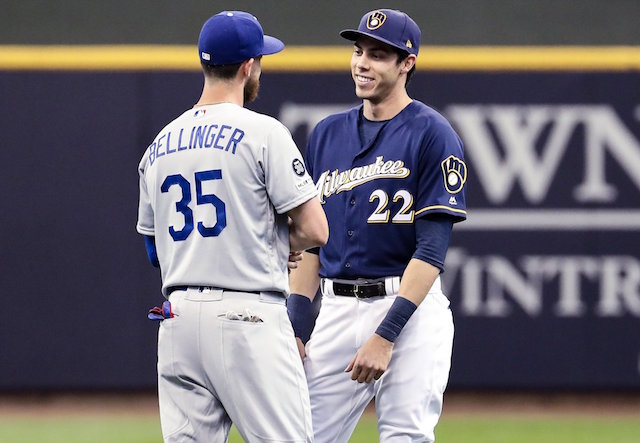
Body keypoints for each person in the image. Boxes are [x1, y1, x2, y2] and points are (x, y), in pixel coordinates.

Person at [136, 10, 328, 443]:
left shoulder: (158, 145)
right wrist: (276, 239)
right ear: (248, 67)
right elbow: (317, 231)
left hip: (178, 319)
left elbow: (155, 251)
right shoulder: (264, 132)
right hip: (248, 316)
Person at [287, 8, 467, 443]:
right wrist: (294, 328)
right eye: (358, 50)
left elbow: (431, 253)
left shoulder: (433, 133)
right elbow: (311, 245)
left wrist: (385, 335)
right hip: (335, 308)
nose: (363, 63)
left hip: (407, 310)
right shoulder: (327, 133)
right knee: (301, 436)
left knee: (405, 435)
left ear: (407, 64)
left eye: (380, 54)